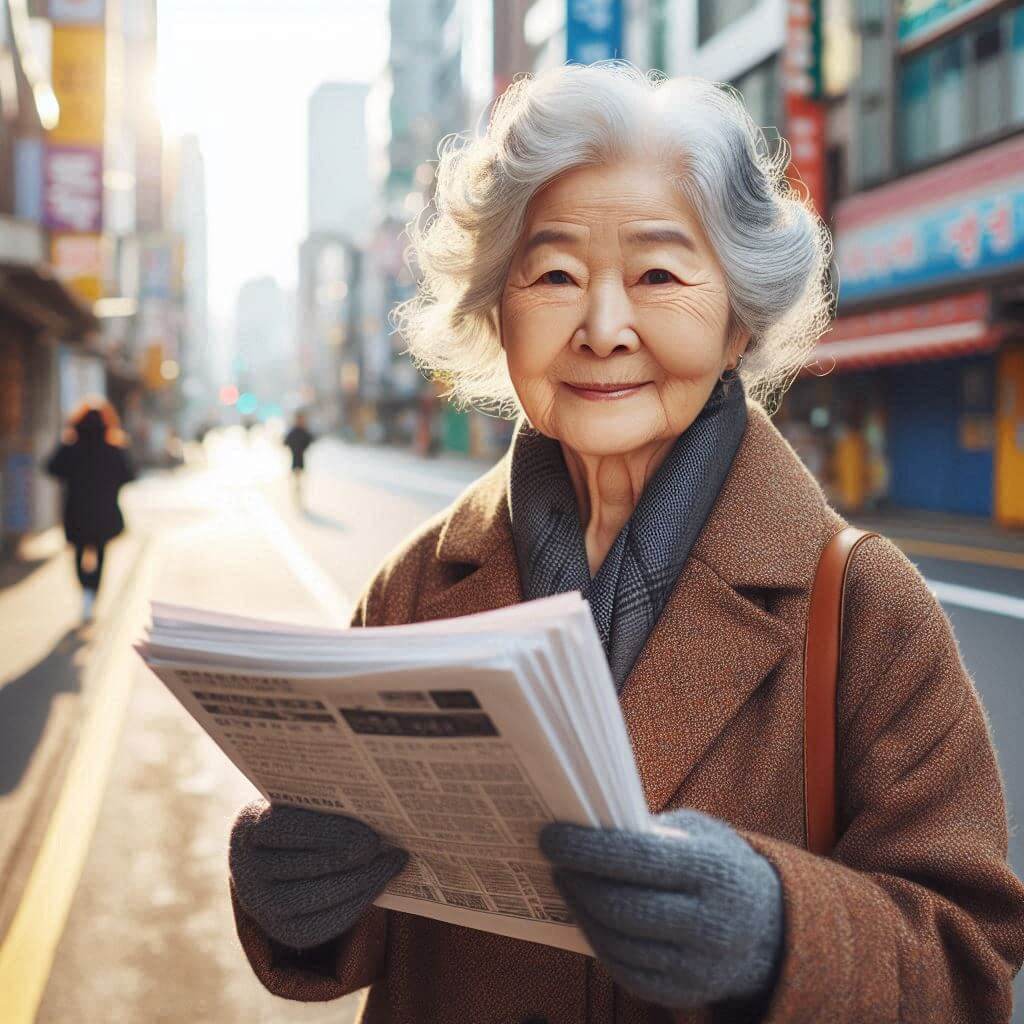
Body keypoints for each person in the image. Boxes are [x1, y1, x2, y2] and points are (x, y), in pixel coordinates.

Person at [227, 64, 1024, 1022]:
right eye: (555, 276)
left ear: (737, 318)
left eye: (657, 275)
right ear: (497, 311)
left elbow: (971, 962)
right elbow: (370, 933)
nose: (604, 328)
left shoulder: (864, 607)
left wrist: (778, 931)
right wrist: (298, 900)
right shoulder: (413, 587)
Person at [46, 398, 135, 622]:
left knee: (78, 551)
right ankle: (92, 593)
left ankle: (85, 590)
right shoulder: (112, 447)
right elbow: (129, 474)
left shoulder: (71, 447)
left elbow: (52, 468)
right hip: (104, 510)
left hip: (76, 510)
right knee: (101, 552)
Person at [283, 412, 314, 503]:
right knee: (295, 475)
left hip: (301, 458)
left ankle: (298, 489)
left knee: (299, 476)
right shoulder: (293, 432)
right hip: (295, 457)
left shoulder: (304, 431)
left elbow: (309, 441)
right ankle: (296, 490)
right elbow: (286, 442)